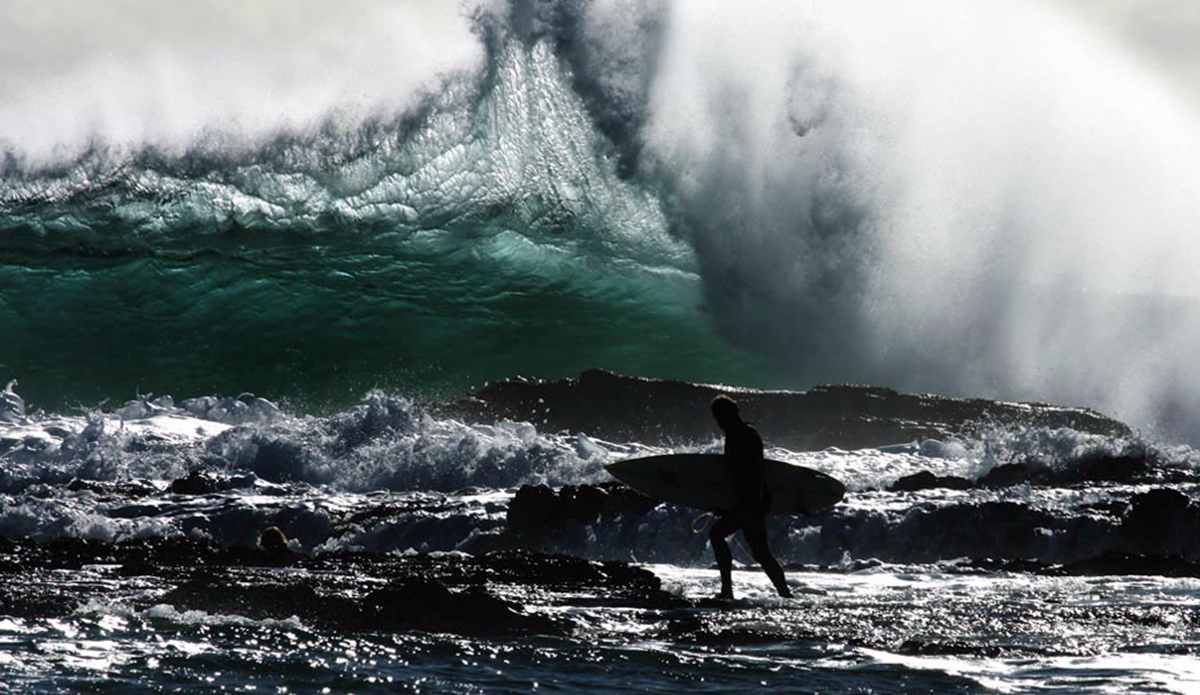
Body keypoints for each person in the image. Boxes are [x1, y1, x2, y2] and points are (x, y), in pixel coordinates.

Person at [708, 395, 792, 599]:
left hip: (751, 501)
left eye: (719, 417)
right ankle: (785, 595)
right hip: (750, 502)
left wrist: (749, 505)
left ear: (728, 415)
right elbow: (736, 476)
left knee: (717, 535)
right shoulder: (736, 435)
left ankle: (727, 591)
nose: (718, 423)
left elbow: (755, 472)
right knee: (761, 553)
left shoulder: (745, 436)